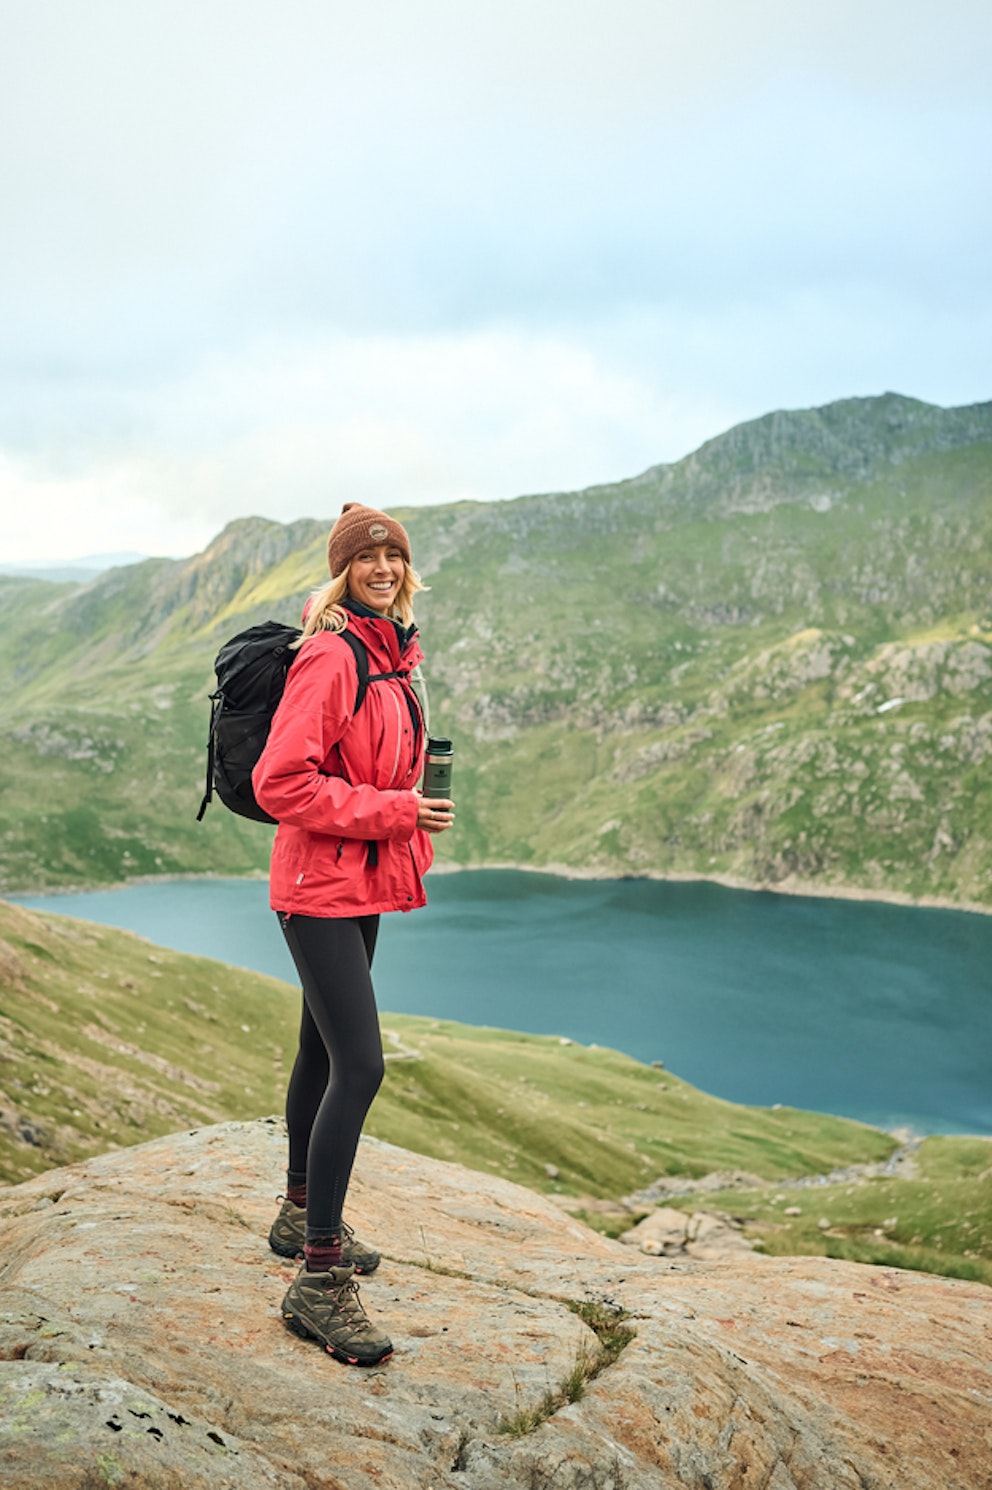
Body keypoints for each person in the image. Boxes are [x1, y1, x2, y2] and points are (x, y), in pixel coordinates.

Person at [252, 502, 454, 1366]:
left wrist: (402, 811)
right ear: (343, 572)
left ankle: (300, 1212)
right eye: (367, 560)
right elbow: (278, 782)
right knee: (361, 1064)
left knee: (326, 1053)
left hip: (354, 879)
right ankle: (321, 1280)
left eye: (395, 558)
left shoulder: (392, 652)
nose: (383, 569)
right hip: (317, 886)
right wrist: (394, 811)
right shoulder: (334, 654)